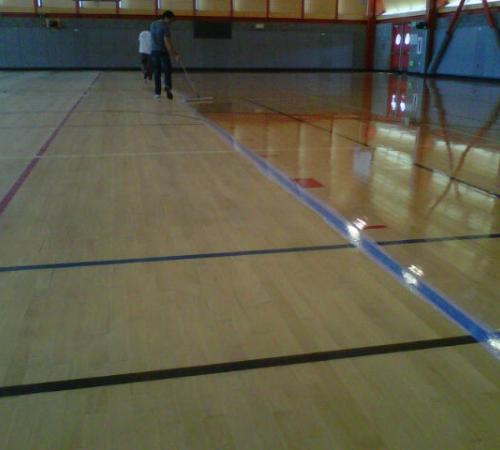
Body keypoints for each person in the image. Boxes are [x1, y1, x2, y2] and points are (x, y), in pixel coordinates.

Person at [150, 10, 181, 100]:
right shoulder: (165, 27)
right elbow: (167, 42)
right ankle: (168, 87)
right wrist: (175, 54)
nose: (171, 22)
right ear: (167, 18)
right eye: (171, 20)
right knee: (167, 70)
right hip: (162, 52)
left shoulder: (152, 24)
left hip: (153, 51)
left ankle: (157, 93)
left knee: (157, 72)